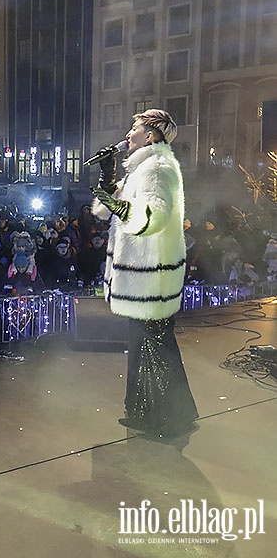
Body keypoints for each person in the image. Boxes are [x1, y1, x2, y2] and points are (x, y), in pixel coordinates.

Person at [91, 108, 198, 438]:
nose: (128, 134)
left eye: (134, 128)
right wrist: (106, 177)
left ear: (150, 135)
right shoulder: (140, 169)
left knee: (154, 347)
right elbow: (100, 209)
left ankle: (166, 419)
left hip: (150, 279)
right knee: (145, 346)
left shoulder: (157, 167)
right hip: (142, 278)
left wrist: (118, 204)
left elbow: (153, 217)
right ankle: (156, 415)